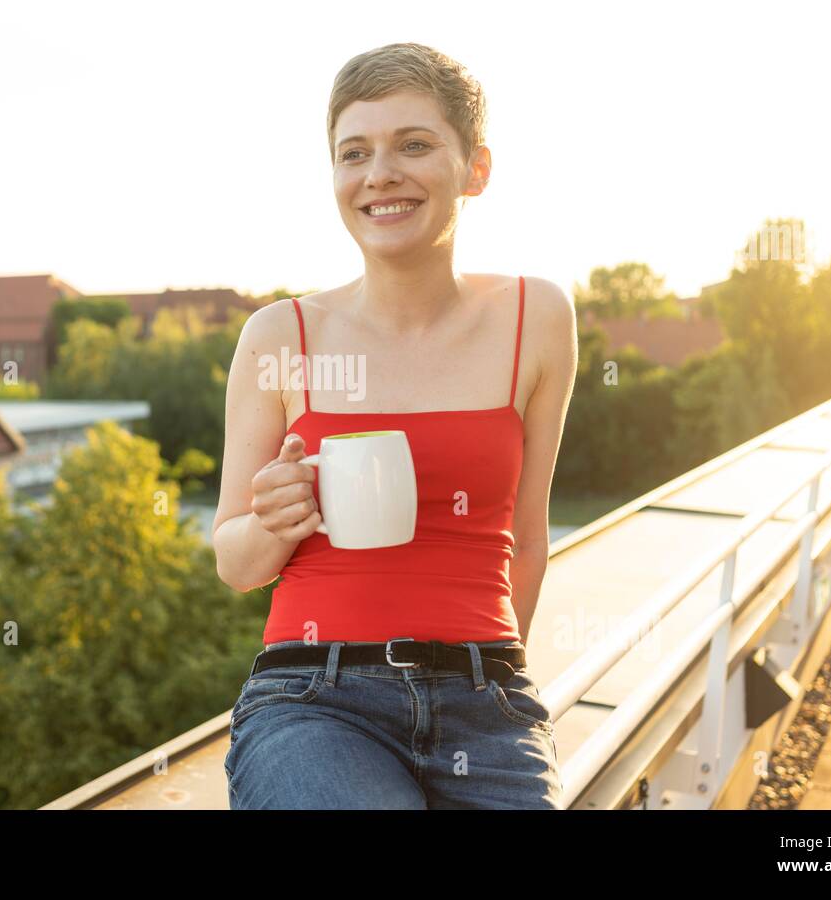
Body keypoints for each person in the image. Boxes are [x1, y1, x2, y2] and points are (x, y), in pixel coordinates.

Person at [211, 42, 578, 809]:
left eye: (414, 144)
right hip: (315, 696)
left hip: (489, 698)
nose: (380, 172)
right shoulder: (280, 336)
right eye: (355, 152)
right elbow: (235, 560)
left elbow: (529, 540)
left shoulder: (536, 318)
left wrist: (500, 679)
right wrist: (274, 520)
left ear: (475, 168)